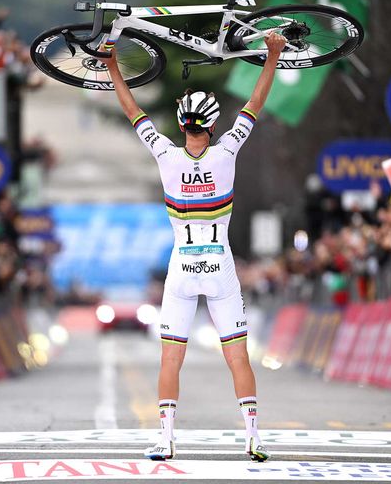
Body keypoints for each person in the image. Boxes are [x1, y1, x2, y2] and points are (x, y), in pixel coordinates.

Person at [102, 31, 287, 463]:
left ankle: (165, 440)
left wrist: (112, 63)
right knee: (237, 355)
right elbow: (255, 104)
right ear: (212, 125)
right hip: (219, 265)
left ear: (183, 126)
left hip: (181, 268)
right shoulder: (227, 152)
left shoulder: (166, 154)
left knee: (171, 358)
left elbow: (132, 109)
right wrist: (273, 55)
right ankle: (253, 438)